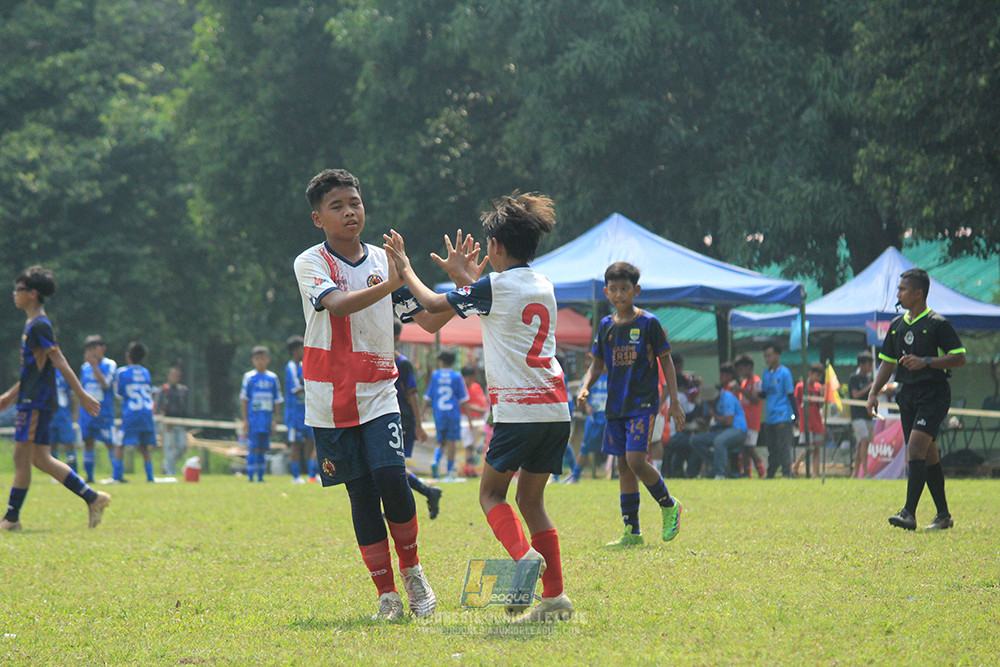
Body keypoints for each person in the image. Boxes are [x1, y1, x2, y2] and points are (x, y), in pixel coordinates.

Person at [383, 190, 575, 623]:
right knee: (533, 502)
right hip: (555, 409)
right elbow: (440, 318)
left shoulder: (494, 287)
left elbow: (431, 308)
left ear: (497, 247)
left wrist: (406, 269)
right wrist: (466, 282)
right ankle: (555, 598)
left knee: (490, 494)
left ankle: (524, 558)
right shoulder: (542, 284)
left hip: (519, 411)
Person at [294, 168, 451, 621]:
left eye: (354, 203)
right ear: (318, 219)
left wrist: (463, 286)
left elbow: (427, 321)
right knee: (361, 496)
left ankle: (414, 571)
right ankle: (386, 595)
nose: (349, 212)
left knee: (392, 478)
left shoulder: (386, 261)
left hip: (381, 392)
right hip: (328, 398)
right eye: (337, 206)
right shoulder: (311, 262)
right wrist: (393, 283)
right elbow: (339, 306)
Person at [576, 261, 686, 548]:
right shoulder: (605, 327)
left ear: (636, 290)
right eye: (613, 289)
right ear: (606, 292)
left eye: (625, 289)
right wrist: (585, 386)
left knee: (637, 460)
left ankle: (669, 504)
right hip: (616, 406)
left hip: (643, 403)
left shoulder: (649, 323)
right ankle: (632, 531)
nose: (619, 294)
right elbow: (597, 365)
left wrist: (674, 401)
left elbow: (667, 362)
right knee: (624, 466)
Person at [0, 266, 111, 530]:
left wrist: (81, 394)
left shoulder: (40, 324)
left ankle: (11, 518)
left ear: (33, 293)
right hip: (31, 398)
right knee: (39, 459)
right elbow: (32, 371)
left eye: (19, 290)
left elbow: (58, 360)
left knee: (22, 457)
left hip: (37, 402)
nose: (14, 294)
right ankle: (93, 497)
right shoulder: (32, 324)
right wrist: (9, 396)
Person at [867, 268, 965, 531]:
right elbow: (887, 363)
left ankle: (909, 513)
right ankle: (943, 516)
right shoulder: (897, 326)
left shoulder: (937, 324)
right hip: (907, 395)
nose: (898, 293)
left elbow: (959, 356)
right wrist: (873, 392)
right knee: (929, 454)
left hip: (933, 394)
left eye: (902, 289)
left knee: (915, 450)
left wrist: (927, 362)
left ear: (918, 293)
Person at [393, 319, 442, 519]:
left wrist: (418, 425)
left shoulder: (402, 363)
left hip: (402, 420)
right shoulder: (374, 360)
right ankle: (428, 492)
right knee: (391, 468)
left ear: (396, 337)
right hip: (383, 418)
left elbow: (412, 394)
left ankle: (398, 511)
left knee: (393, 467)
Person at [689, 365, 748, 480]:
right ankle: (717, 464)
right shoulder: (708, 402)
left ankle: (720, 473)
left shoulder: (728, 398)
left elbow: (729, 421)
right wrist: (702, 422)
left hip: (737, 429)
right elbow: (707, 422)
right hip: (720, 430)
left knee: (719, 441)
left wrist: (713, 414)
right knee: (695, 440)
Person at [114, 341, 157, 483]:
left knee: (120, 444)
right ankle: (150, 476)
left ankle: (117, 476)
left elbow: (119, 394)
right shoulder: (146, 372)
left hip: (131, 413)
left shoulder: (122, 372)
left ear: (128, 356)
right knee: (144, 446)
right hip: (147, 413)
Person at [240, 346, 283, 483]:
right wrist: (245, 420)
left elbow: (277, 401)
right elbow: (244, 400)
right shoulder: (248, 377)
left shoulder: (272, 378)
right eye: (257, 359)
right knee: (253, 447)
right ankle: (251, 475)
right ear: (253, 360)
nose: (260, 362)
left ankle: (260, 476)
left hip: (266, 420)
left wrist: (275, 421)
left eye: (262, 359)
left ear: (268, 360)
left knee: (263, 448)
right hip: (254, 419)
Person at [78, 334, 117, 483]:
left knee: (109, 442)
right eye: (89, 349)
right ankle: (90, 476)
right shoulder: (84, 368)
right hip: (87, 413)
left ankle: (116, 474)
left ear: (103, 348)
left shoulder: (109, 365)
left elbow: (105, 384)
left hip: (103, 411)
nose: (91, 352)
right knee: (88, 442)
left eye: (94, 348)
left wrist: (94, 366)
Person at [424, 350, 468, 480]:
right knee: (451, 442)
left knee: (440, 441)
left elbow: (427, 397)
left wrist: (421, 414)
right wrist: (470, 419)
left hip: (439, 414)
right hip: (453, 413)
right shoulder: (456, 376)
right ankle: (450, 470)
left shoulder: (435, 375)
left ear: (442, 361)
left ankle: (435, 461)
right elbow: (463, 399)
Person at [760, 343, 796, 478]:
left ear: (777, 355)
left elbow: (791, 395)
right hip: (770, 417)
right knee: (772, 448)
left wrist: (795, 415)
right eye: (765, 356)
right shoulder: (766, 373)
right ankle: (771, 473)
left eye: (769, 355)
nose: (767, 359)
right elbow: (763, 394)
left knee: (784, 446)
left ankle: (787, 472)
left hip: (783, 415)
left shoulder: (785, 373)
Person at [284, 336, 317, 483]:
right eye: (301, 348)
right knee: (296, 444)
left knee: (311, 441)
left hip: (308, 410)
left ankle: (312, 475)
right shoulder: (290, 367)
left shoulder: (305, 364)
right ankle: (296, 476)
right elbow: (295, 389)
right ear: (294, 351)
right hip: (294, 414)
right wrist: (311, 384)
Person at [733, 354, 766, 478]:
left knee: (751, 448)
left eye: (741, 369)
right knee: (745, 449)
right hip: (744, 421)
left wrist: (741, 391)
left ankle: (762, 472)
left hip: (752, 421)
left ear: (748, 367)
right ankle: (747, 474)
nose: (740, 372)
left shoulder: (757, 382)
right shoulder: (744, 383)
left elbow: (756, 400)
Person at [792, 363, 826, 478]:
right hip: (806, 420)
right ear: (810, 374)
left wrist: (823, 393)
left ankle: (815, 473)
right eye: (817, 375)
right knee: (809, 447)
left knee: (816, 447)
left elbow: (821, 405)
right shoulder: (801, 387)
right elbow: (796, 403)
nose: (818, 379)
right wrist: (797, 418)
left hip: (817, 420)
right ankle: (796, 465)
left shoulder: (818, 387)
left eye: (820, 377)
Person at [573, 367, 607, 481]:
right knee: (585, 448)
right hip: (594, 417)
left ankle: (618, 475)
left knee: (618, 448)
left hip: (610, 417)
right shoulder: (590, 376)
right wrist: (587, 406)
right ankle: (575, 475)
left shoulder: (614, 374)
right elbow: (581, 393)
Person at [156, 365, 189, 477]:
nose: (175, 378)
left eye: (177, 376)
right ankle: (171, 472)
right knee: (169, 448)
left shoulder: (183, 390)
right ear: (169, 376)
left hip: (180, 422)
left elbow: (185, 408)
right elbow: (158, 407)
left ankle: (167, 464)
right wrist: (165, 420)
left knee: (183, 446)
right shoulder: (163, 390)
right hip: (167, 423)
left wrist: (186, 424)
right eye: (173, 375)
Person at [849, 352, 875, 479]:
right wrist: (869, 388)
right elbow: (855, 395)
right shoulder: (854, 378)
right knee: (864, 440)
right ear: (861, 364)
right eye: (868, 363)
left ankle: (854, 473)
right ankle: (865, 472)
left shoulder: (870, 379)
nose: (870, 366)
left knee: (862, 444)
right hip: (857, 415)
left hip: (867, 415)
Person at [49, 369, 80, 473]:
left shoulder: (64, 372)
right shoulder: (42, 371)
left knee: (69, 443)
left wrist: (74, 414)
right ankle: (56, 472)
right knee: (52, 444)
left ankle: (72, 471)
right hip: (49, 415)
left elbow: (72, 396)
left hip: (64, 414)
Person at [461, 365, 488, 477]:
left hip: (478, 419)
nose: (471, 380)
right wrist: (478, 408)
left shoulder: (476, 386)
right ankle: (469, 470)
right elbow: (463, 404)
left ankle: (471, 468)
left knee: (476, 445)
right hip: (465, 419)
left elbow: (483, 402)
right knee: (469, 445)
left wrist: (481, 409)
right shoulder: (461, 387)